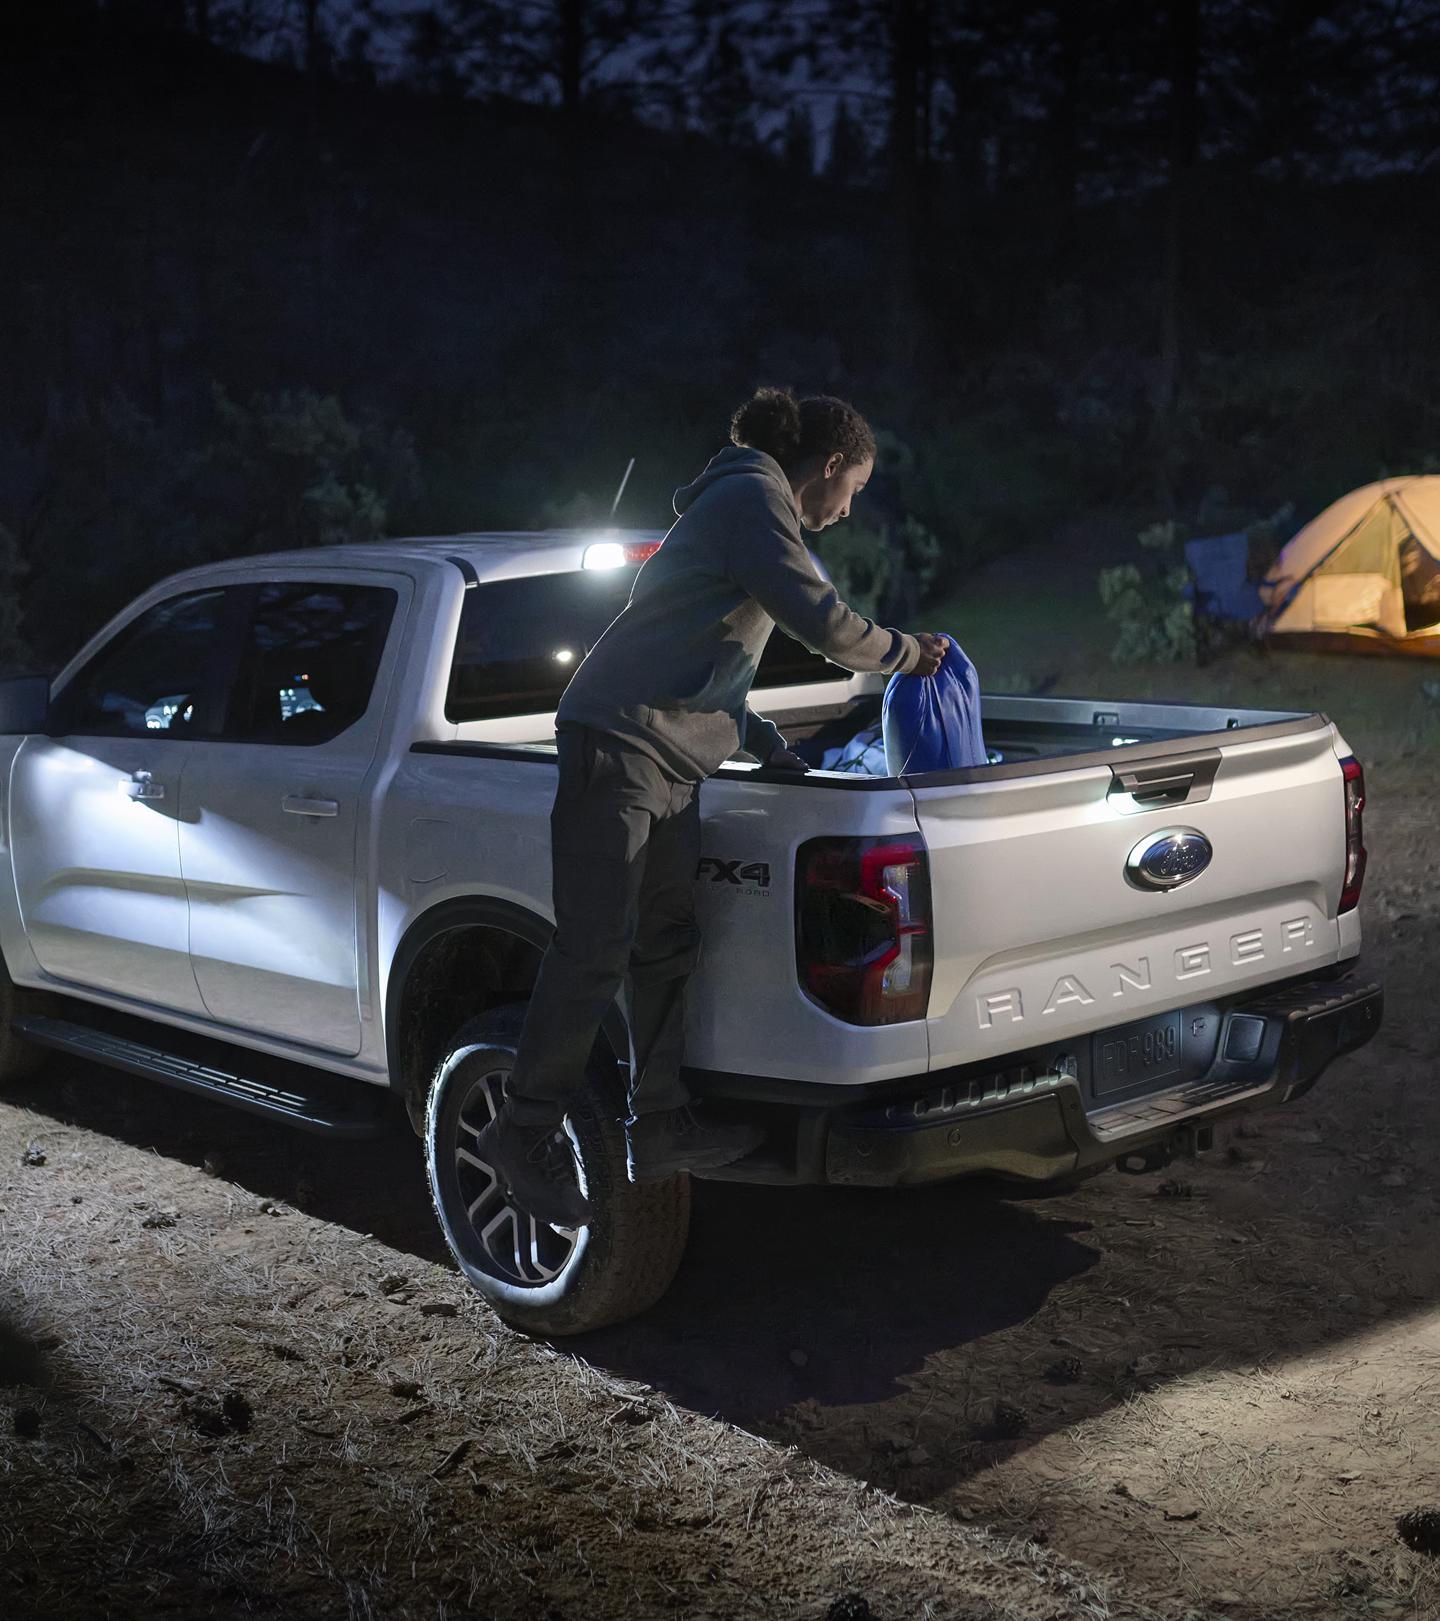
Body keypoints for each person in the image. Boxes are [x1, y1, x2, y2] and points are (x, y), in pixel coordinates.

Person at [478, 386, 949, 1225]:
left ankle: (656, 1123)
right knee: (594, 947)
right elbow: (824, 622)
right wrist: (909, 653)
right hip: (617, 745)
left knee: (665, 941)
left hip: (670, 756)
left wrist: (767, 745)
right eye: (857, 489)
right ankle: (523, 1132)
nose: (848, 509)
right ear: (830, 465)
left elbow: (704, 657)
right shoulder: (751, 498)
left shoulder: (746, 508)